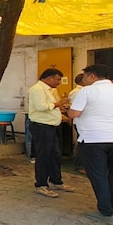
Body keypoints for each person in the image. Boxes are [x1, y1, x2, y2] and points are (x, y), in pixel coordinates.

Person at [68, 64, 113, 225]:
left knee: (99, 175)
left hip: (93, 139)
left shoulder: (86, 91)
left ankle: (106, 212)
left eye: (85, 76)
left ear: (92, 76)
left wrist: (71, 110)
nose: (83, 80)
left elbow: (73, 113)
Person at [28, 68, 75, 198]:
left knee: (55, 155)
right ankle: (41, 184)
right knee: (43, 156)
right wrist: (58, 103)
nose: (59, 82)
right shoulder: (37, 89)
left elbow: (55, 105)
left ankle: (56, 180)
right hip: (42, 126)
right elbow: (41, 106)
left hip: (52, 126)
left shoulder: (52, 90)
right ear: (49, 78)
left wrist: (62, 108)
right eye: (57, 79)